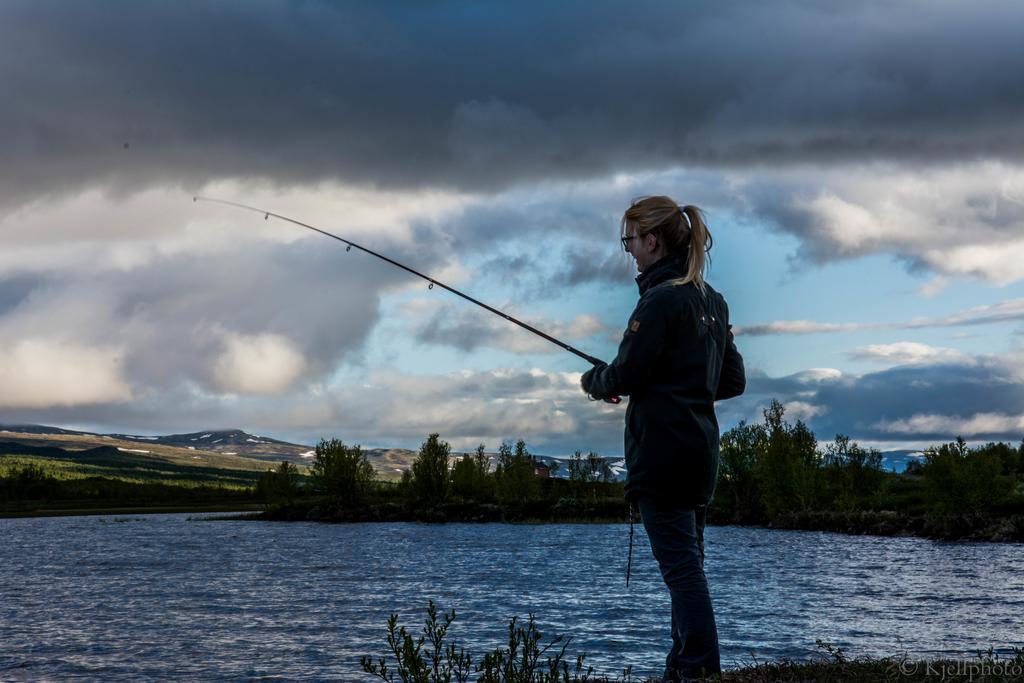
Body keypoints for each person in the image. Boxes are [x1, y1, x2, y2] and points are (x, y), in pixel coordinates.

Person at [581, 196, 745, 681]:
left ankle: (696, 670)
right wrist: (677, 377)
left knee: (682, 572)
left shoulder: (659, 300)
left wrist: (595, 382)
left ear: (652, 241)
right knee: (688, 567)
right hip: (700, 457)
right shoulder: (711, 300)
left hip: (662, 455)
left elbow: (624, 374)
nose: (628, 250)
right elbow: (732, 380)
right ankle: (682, 667)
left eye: (629, 240)